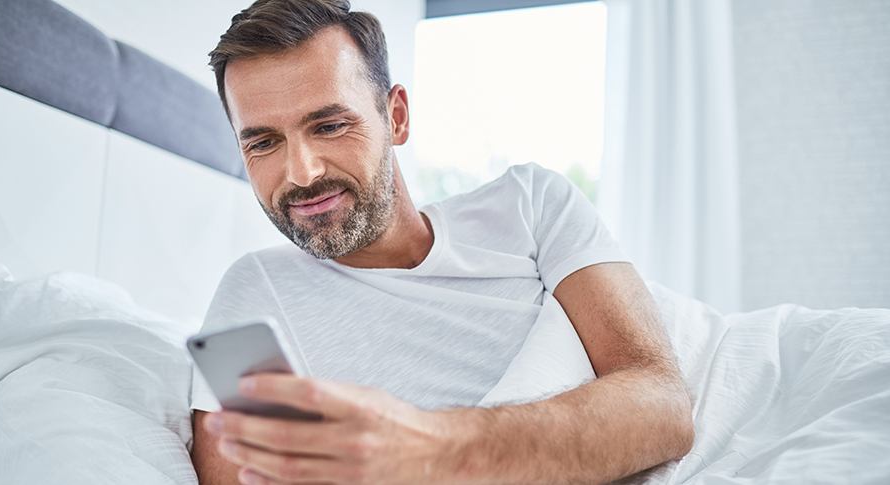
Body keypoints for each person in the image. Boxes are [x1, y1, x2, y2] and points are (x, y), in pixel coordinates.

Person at [190, 1, 694, 483]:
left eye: (330, 125)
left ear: (396, 117)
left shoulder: (532, 205)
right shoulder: (253, 295)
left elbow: (664, 407)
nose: (301, 174)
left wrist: (434, 452)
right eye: (262, 143)